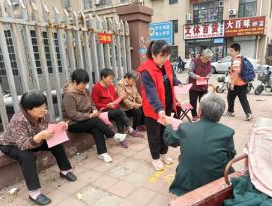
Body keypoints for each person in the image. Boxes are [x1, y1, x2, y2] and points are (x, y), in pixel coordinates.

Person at [0, 91, 76, 206]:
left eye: (44, 106)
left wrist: (60, 127)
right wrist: (39, 137)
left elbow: (50, 126)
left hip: (36, 140)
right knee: (27, 156)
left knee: (56, 143)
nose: (43, 110)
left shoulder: (44, 113)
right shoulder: (18, 120)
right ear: (28, 109)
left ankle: (65, 170)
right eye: (39, 108)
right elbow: (23, 145)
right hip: (12, 145)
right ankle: (34, 193)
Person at [163, 93, 236, 196]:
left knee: (183, 157)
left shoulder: (185, 128)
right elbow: (231, 154)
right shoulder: (227, 132)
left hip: (186, 184)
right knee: (229, 167)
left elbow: (170, 140)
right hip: (214, 184)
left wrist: (169, 125)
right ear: (219, 116)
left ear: (200, 112)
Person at [63, 69, 127, 163]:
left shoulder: (85, 91)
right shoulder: (68, 95)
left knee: (96, 128)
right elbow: (72, 115)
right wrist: (89, 116)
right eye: (82, 84)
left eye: (86, 84)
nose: (84, 86)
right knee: (95, 121)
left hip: (86, 120)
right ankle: (113, 135)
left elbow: (92, 103)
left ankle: (102, 153)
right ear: (74, 82)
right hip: (73, 123)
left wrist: (94, 109)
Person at [138, 40, 180, 171]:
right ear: (153, 54)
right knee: (154, 134)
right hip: (153, 109)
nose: (165, 59)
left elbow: (172, 78)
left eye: (167, 56)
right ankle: (155, 158)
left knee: (165, 131)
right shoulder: (146, 70)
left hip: (166, 105)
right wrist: (159, 108)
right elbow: (150, 92)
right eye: (162, 56)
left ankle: (163, 153)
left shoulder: (167, 64)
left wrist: (179, 83)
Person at [91, 68, 143, 148]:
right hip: (104, 111)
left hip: (113, 109)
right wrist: (107, 105)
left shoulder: (111, 86)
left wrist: (118, 100)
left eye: (112, 79)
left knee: (119, 116)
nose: (111, 81)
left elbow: (115, 99)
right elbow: (95, 104)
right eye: (110, 79)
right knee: (119, 112)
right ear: (103, 77)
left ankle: (122, 138)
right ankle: (130, 129)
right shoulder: (96, 88)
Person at [225, 43, 253, 121]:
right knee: (243, 99)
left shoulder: (236, 60)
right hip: (244, 82)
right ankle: (248, 114)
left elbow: (236, 72)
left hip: (237, 83)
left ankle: (230, 112)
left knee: (230, 97)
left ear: (237, 51)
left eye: (232, 51)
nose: (230, 52)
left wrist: (232, 83)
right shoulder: (242, 58)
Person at [188, 48, 213, 121]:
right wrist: (196, 76)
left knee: (204, 101)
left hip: (203, 85)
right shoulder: (195, 61)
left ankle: (202, 115)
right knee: (193, 101)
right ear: (203, 56)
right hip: (194, 85)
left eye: (209, 58)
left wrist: (208, 76)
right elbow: (189, 71)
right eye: (206, 58)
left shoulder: (209, 62)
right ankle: (194, 115)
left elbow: (210, 71)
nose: (207, 60)